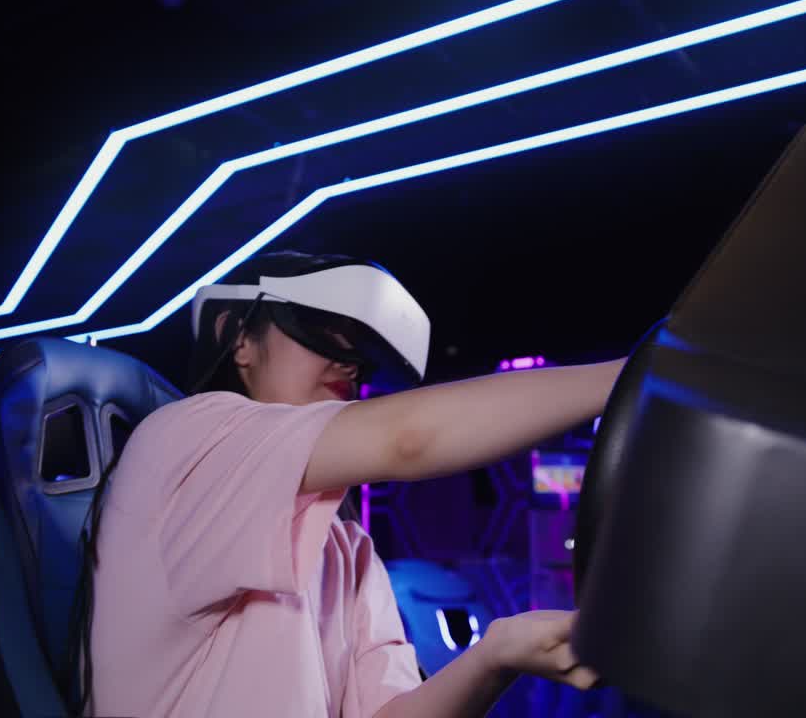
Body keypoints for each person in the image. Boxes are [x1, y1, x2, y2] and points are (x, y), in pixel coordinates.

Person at [79, 251, 626, 717]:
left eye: (357, 350)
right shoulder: (188, 438)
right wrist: (639, 373)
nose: (349, 360)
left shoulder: (347, 547)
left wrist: (495, 654)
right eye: (318, 328)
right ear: (238, 339)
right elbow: (408, 439)